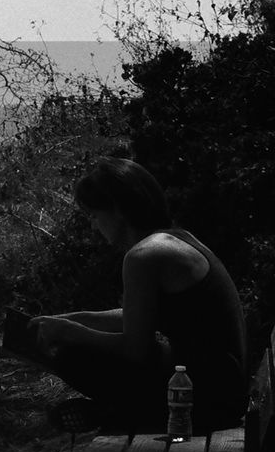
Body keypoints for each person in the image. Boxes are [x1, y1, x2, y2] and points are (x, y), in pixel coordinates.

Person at [19, 157, 247, 433]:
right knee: (83, 349)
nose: (93, 226)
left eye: (94, 215)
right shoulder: (173, 239)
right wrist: (70, 320)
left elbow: (135, 349)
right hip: (219, 383)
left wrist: (70, 333)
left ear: (119, 210)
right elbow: (136, 318)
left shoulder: (143, 256)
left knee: (74, 357)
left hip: (209, 398)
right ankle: (116, 414)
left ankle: (120, 415)